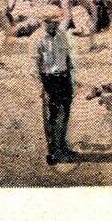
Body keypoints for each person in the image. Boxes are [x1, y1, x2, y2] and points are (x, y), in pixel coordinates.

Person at [35, 10, 77, 164]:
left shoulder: (62, 36)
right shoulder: (37, 39)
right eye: (49, 22)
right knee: (51, 117)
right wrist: (43, 85)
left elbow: (67, 58)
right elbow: (34, 65)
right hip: (49, 80)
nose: (53, 25)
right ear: (43, 22)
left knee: (65, 113)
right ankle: (52, 151)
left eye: (55, 22)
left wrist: (71, 78)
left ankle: (63, 146)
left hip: (64, 77)